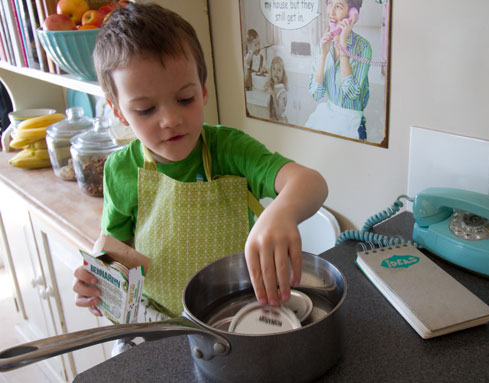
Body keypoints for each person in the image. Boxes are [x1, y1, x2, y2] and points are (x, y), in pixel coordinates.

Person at [73, 3, 327, 325]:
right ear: (118, 111)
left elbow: (311, 183)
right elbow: (118, 250)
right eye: (146, 109)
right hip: (158, 319)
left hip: (238, 313)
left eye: (184, 100)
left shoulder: (229, 150)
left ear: (203, 90)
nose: (170, 120)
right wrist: (98, 277)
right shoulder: (121, 169)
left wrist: (281, 212)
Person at [305, 0, 372, 140]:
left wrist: (343, 45)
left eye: (339, 6)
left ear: (352, 13)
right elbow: (316, 94)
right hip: (327, 116)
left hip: (351, 121)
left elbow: (352, 92)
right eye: (330, 4)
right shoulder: (324, 43)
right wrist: (323, 54)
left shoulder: (363, 47)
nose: (331, 12)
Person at [264, 56, 288, 123]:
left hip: (281, 124)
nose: (276, 72)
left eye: (279, 70)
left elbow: (279, 115)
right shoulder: (274, 86)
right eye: (273, 69)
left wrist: (273, 95)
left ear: (283, 74)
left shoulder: (282, 92)